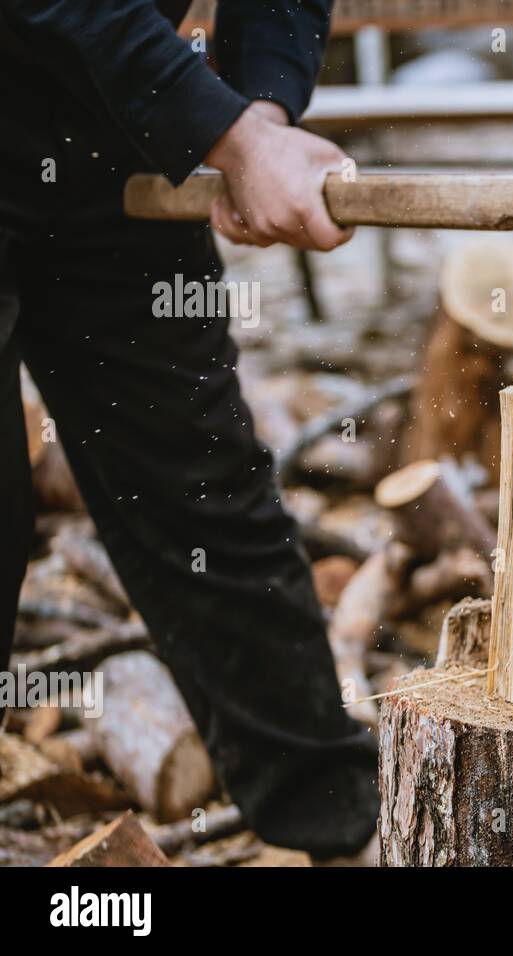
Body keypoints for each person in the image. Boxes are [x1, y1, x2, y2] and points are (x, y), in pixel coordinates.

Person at [0, 0, 378, 858]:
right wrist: (232, 137)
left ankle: (337, 826)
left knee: (201, 484)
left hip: (97, 118)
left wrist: (264, 107)